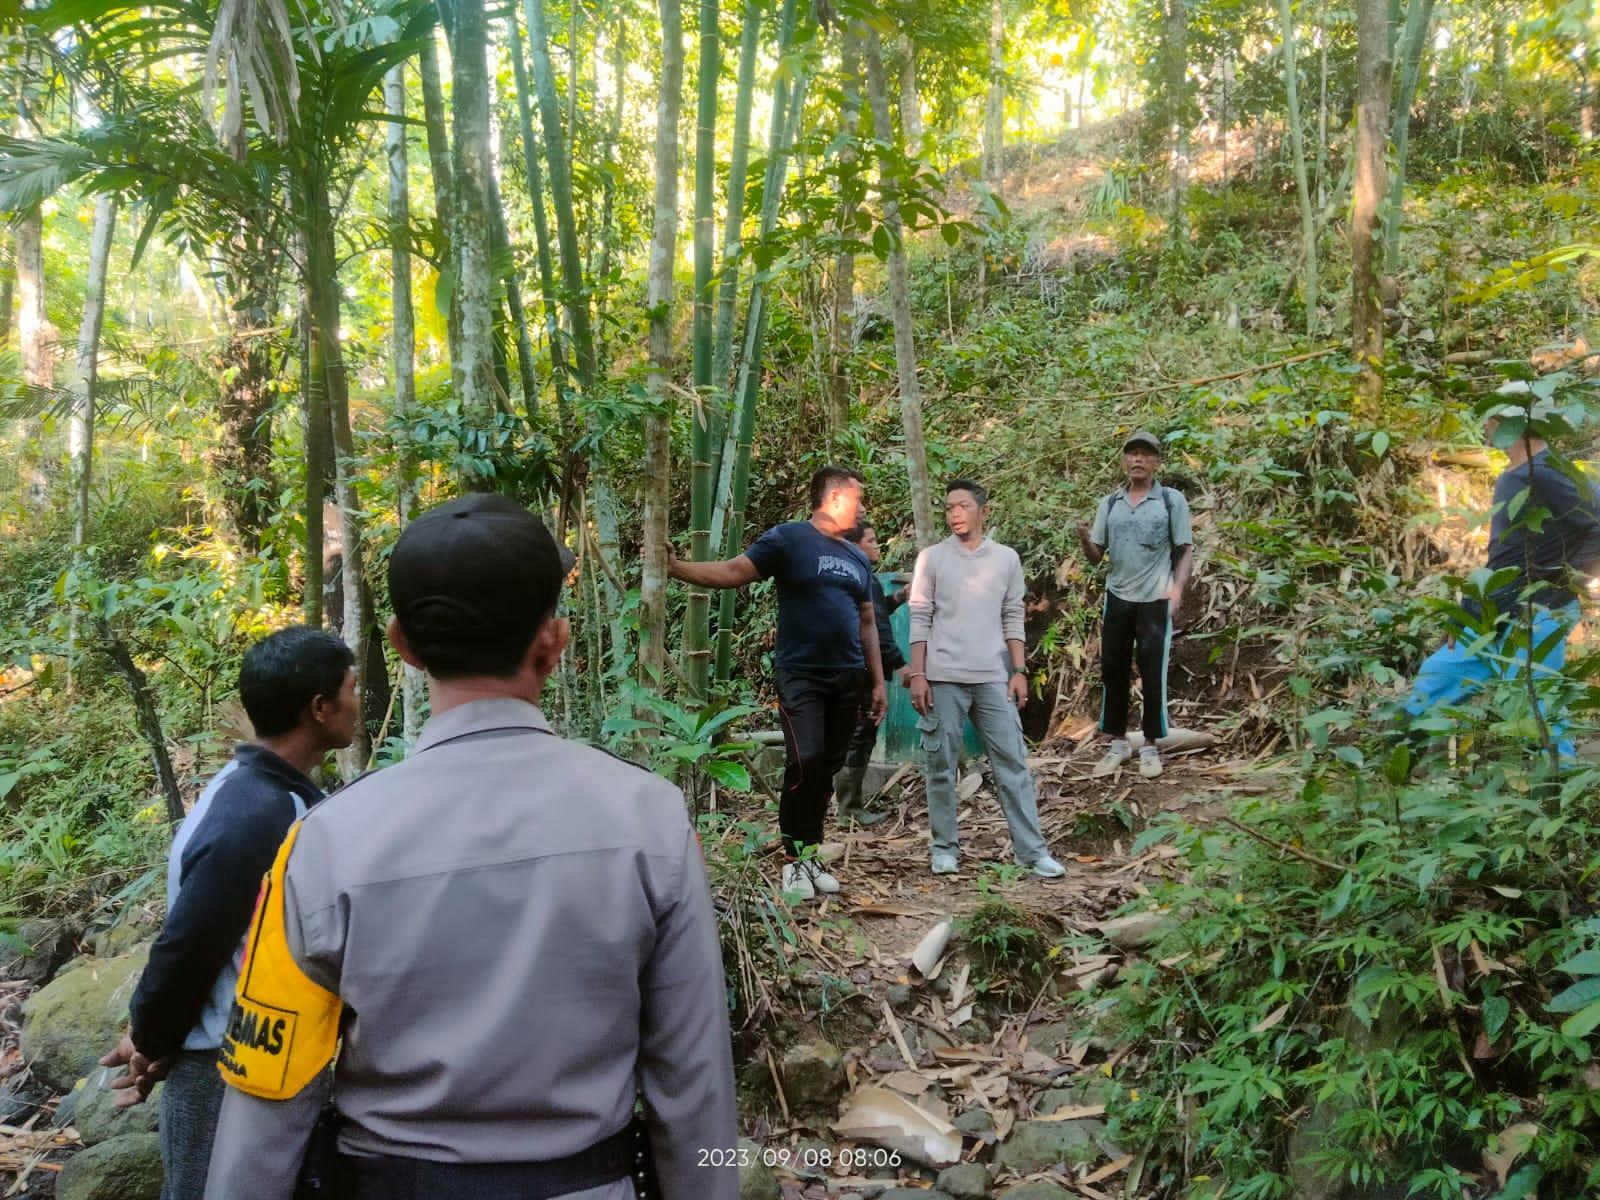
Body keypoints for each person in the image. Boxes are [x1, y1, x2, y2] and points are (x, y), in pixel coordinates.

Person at [200, 493, 738, 1200]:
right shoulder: (651, 820)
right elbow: (696, 1083)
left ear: (401, 644)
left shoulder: (322, 843)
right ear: (554, 639)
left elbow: (269, 1094)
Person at [100, 627, 359, 1200]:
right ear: (319, 708)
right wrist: (151, 1037)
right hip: (221, 1066)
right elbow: (191, 941)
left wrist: (150, 1038)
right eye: (351, 687)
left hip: (243, 1055)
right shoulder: (258, 813)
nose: (358, 700)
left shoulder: (266, 794)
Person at [669, 467, 888, 901]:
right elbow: (735, 571)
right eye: (858, 498)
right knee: (804, 758)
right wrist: (675, 568)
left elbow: (867, 623)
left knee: (826, 766)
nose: (863, 507)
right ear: (835, 497)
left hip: (848, 678)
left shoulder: (855, 557)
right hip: (801, 674)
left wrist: (878, 682)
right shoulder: (788, 539)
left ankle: (810, 854)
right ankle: (792, 859)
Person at [1402, 397, 1600, 748]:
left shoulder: (1547, 471)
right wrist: (1470, 610)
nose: (1487, 428)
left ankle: (1558, 789)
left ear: (1511, 423)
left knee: (1534, 713)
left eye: (1492, 420)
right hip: (1494, 611)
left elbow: (1596, 525)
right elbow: (1504, 556)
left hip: (1536, 615)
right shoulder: (1520, 473)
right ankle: (1394, 776)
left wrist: (1565, 580)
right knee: (1436, 679)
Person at [907, 480, 1067, 879]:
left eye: (962, 506)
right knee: (941, 765)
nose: (955, 514)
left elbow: (1013, 615)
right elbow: (920, 617)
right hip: (943, 677)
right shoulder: (932, 558)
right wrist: (918, 674)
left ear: (983, 511)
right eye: (948, 508)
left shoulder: (1006, 559)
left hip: (993, 677)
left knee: (1012, 761)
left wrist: (1018, 670)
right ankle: (945, 849)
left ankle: (1031, 853)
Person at [1077, 430, 1194, 780]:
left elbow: (1184, 549)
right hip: (1118, 597)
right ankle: (1115, 744)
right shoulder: (1110, 503)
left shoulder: (1171, 501)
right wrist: (1084, 537)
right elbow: (1097, 557)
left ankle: (1149, 746)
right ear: (1124, 460)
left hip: (1155, 597)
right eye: (1132, 454)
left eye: (1146, 454)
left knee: (1152, 669)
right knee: (1113, 669)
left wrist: (1177, 590)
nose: (1138, 460)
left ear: (1157, 462)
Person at [835, 521, 909, 828]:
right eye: (871, 540)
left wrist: (899, 598)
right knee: (860, 736)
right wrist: (901, 664)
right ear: (855, 545)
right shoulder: (863, 578)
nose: (877, 545)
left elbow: (876, 613)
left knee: (854, 735)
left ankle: (848, 806)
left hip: (851, 668)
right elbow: (877, 631)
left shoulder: (854, 577)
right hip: (863, 672)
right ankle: (849, 809)